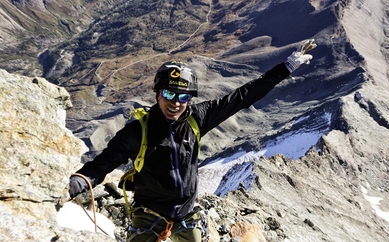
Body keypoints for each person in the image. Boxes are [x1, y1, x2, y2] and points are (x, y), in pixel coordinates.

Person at [68, 39, 317, 242]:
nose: (175, 102)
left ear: (190, 99)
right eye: (168, 93)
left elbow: (242, 96)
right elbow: (104, 163)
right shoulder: (138, 132)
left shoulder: (198, 118)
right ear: (157, 94)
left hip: (187, 213)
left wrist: (286, 68)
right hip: (148, 215)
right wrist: (79, 181)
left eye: (183, 96)